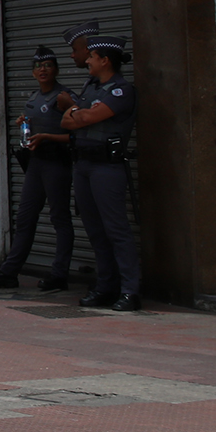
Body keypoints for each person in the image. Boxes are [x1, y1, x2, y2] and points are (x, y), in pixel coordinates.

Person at [0, 46, 74, 291]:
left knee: (59, 218)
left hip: (57, 164)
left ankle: (59, 275)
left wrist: (47, 137)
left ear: (56, 69)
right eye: (38, 66)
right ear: (32, 72)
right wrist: (27, 126)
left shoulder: (64, 96)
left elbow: (78, 134)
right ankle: (9, 272)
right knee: (25, 218)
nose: (42, 70)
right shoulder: (33, 98)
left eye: (48, 65)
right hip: (36, 164)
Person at [61, 34, 142, 310]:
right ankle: (105, 286)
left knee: (116, 230)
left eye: (92, 58)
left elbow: (85, 118)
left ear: (105, 60)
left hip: (106, 167)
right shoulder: (92, 88)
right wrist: (76, 111)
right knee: (95, 230)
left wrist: (74, 111)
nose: (88, 62)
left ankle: (130, 290)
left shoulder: (120, 91)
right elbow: (67, 121)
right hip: (83, 165)